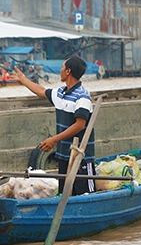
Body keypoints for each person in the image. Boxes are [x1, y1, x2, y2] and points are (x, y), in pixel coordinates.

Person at [11, 56, 95, 196]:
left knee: (87, 195)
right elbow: (41, 91)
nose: (60, 71)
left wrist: (54, 139)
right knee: (65, 195)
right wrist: (23, 80)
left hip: (81, 157)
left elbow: (80, 125)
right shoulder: (61, 93)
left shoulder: (82, 97)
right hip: (63, 155)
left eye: (62, 68)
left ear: (68, 71)